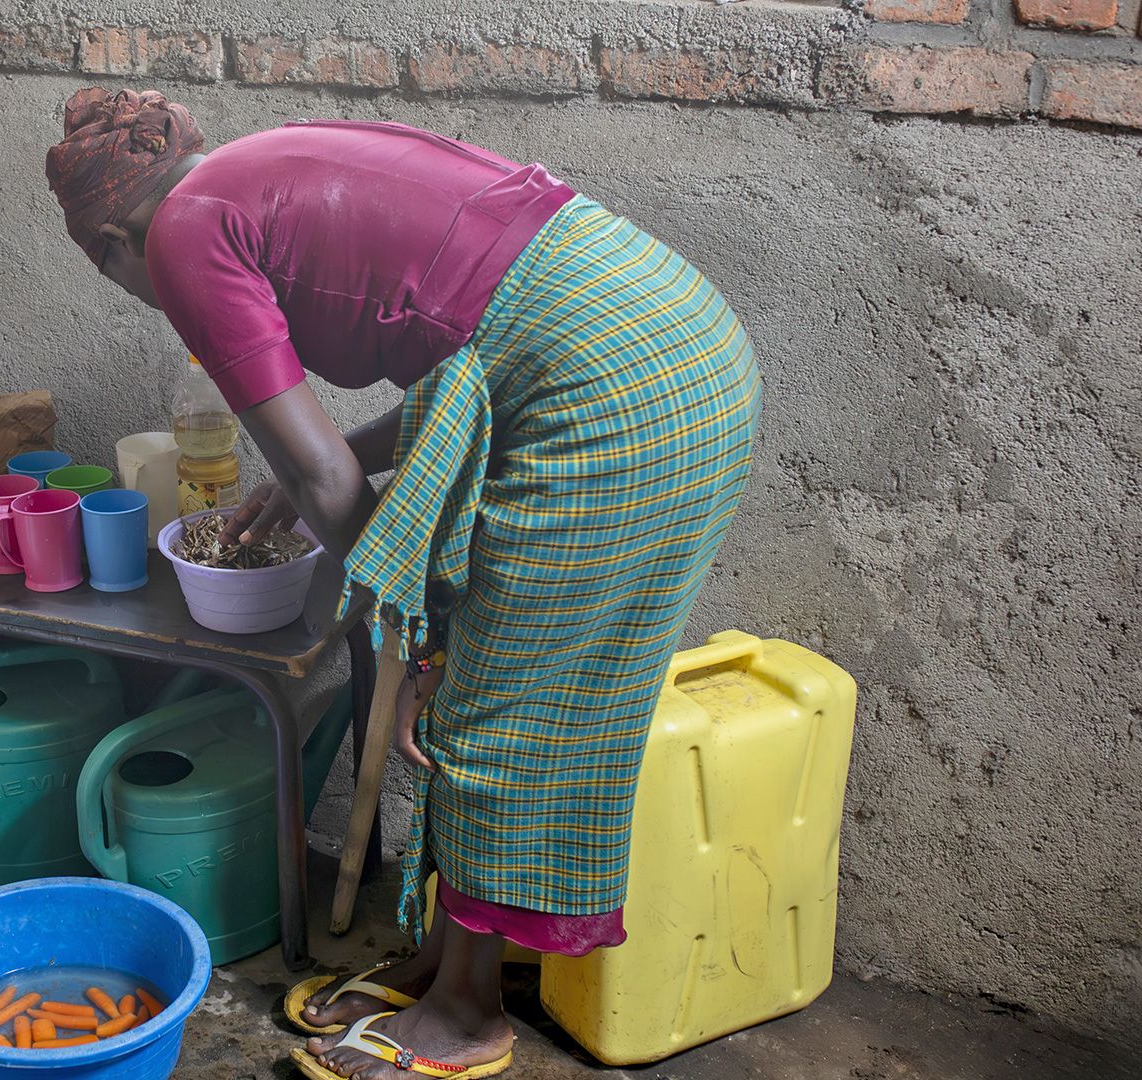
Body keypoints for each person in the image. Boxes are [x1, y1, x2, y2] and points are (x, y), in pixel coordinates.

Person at [47, 90, 761, 1079]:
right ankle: (444, 960)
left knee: (487, 715)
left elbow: (326, 481)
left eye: (108, 270)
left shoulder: (179, 236)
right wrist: (332, 471)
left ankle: (468, 1018)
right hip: (660, 344)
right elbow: (479, 332)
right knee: (482, 696)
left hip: (618, 398)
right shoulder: (252, 167)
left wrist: (411, 637)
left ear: (112, 243)